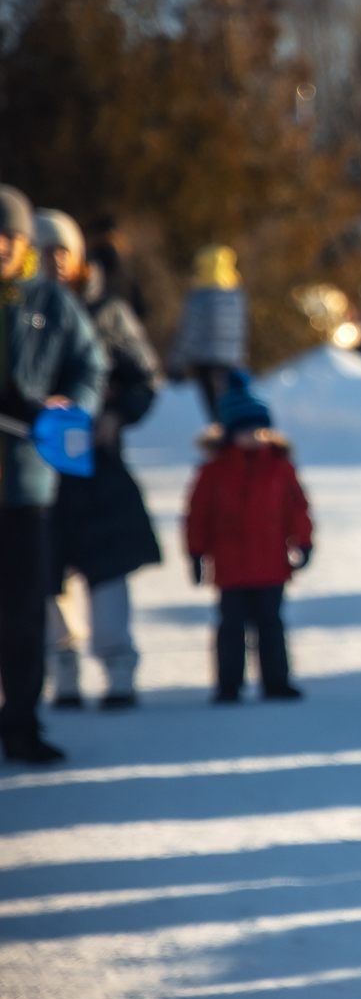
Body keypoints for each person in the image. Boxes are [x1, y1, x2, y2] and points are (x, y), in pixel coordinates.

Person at [35, 210, 162, 709]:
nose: (55, 261)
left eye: (62, 250)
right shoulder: (18, 312)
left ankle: (118, 669)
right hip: (37, 466)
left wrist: (117, 415)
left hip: (97, 465)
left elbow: (144, 376)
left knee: (109, 571)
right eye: (43, 251)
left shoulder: (106, 311)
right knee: (44, 576)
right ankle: (60, 670)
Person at [0, 185, 104, 764]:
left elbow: (91, 364)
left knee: (23, 611)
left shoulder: (51, 301)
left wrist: (74, 403)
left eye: (7, 240)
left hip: (26, 483)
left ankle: (21, 723)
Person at [183, 372, 312, 703]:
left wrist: (303, 541)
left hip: (270, 565)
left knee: (271, 626)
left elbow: (297, 508)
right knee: (231, 628)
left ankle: (276, 682)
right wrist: (196, 553)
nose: (253, 436)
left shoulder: (280, 468)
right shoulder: (213, 472)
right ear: (228, 432)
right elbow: (197, 515)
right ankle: (228, 684)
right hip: (231, 567)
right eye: (244, 430)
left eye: (258, 429)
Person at [168, 243, 247, 420]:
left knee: (216, 414)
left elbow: (189, 332)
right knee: (230, 409)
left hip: (206, 362)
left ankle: (221, 445)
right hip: (231, 360)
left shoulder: (199, 296)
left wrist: (177, 363)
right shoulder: (236, 296)